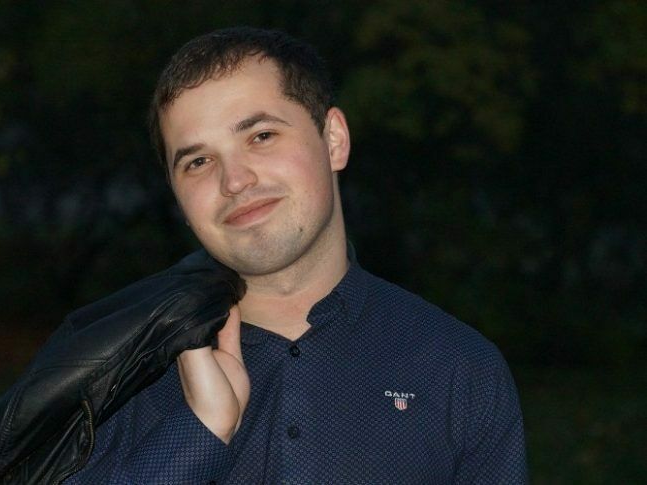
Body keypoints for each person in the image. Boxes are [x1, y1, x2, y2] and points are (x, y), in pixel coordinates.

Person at [65, 26, 528, 484]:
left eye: (261, 136)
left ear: (334, 140)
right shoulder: (107, 375)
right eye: (198, 162)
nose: (235, 180)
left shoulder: (459, 368)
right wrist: (198, 434)